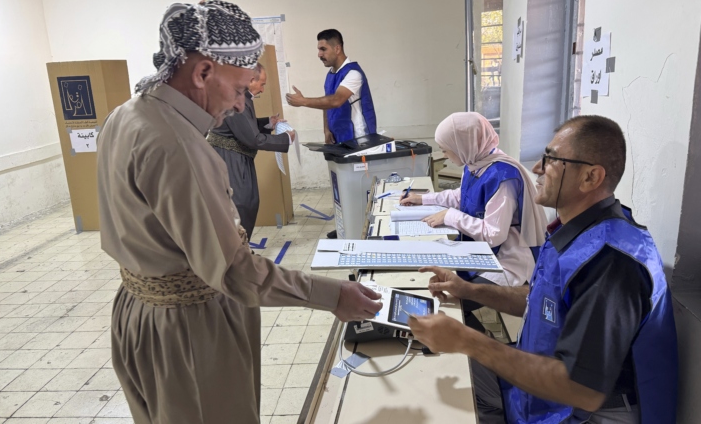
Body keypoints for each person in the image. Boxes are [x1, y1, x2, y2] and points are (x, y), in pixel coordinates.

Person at [96, 1, 381, 424]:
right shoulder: (179, 146)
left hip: (138, 318)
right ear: (203, 72)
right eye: (240, 89)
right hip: (190, 333)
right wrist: (333, 295)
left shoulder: (126, 115)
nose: (239, 104)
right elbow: (236, 273)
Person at [408, 115, 678, 423]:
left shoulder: (609, 262)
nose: (537, 168)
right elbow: (543, 300)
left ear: (590, 177)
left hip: (579, 410)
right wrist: (468, 290)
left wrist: (468, 341)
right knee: (445, 376)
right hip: (541, 385)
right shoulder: (576, 233)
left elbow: (582, 389)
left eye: (551, 160)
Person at [400, 112, 548, 331]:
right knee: (441, 284)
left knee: (451, 300)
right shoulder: (476, 163)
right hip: (485, 253)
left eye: (446, 147)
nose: (444, 153)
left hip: (508, 261)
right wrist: (422, 199)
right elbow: (462, 196)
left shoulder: (501, 176)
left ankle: (476, 345)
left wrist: (450, 216)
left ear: (462, 144)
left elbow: (493, 234)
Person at [286, 29, 378, 239]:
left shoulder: (353, 73)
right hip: (339, 139)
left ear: (337, 48)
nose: (319, 54)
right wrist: (326, 129)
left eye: (323, 49)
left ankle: (361, 230)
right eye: (319, 49)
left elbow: (336, 100)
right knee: (341, 187)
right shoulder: (331, 75)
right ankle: (347, 224)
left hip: (358, 139)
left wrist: (303, 102)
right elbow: (327, 104)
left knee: (358, 187)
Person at [208, 62, 295, 237]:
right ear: (250, 79)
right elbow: (252, 138)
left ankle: (241, 247)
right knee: (241, 204)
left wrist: (268, 122)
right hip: (230, 159)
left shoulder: (241, 96)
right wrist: (285, 139)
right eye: (262, 84)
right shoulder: (235, 99)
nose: (263, 89)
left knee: (248, 202)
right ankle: (238, 250)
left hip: (236, 156)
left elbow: (246, 125)